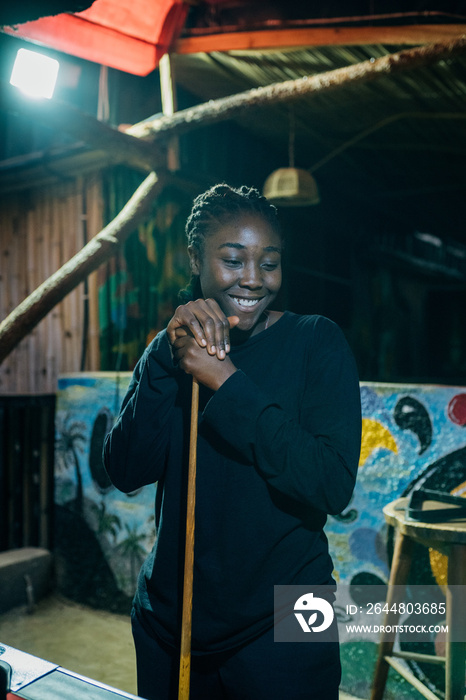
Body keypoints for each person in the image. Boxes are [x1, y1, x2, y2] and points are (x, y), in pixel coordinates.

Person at [103, 183, 362, 700]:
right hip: (171, 620)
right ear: (195, 258)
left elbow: (331, 484)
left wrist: (226, 381)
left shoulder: (316, 341)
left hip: (290, 616)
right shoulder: (171, 351)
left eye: (269, 262)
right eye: (232, 259)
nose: (253, 279)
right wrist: (163, 360)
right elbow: (126, 470)